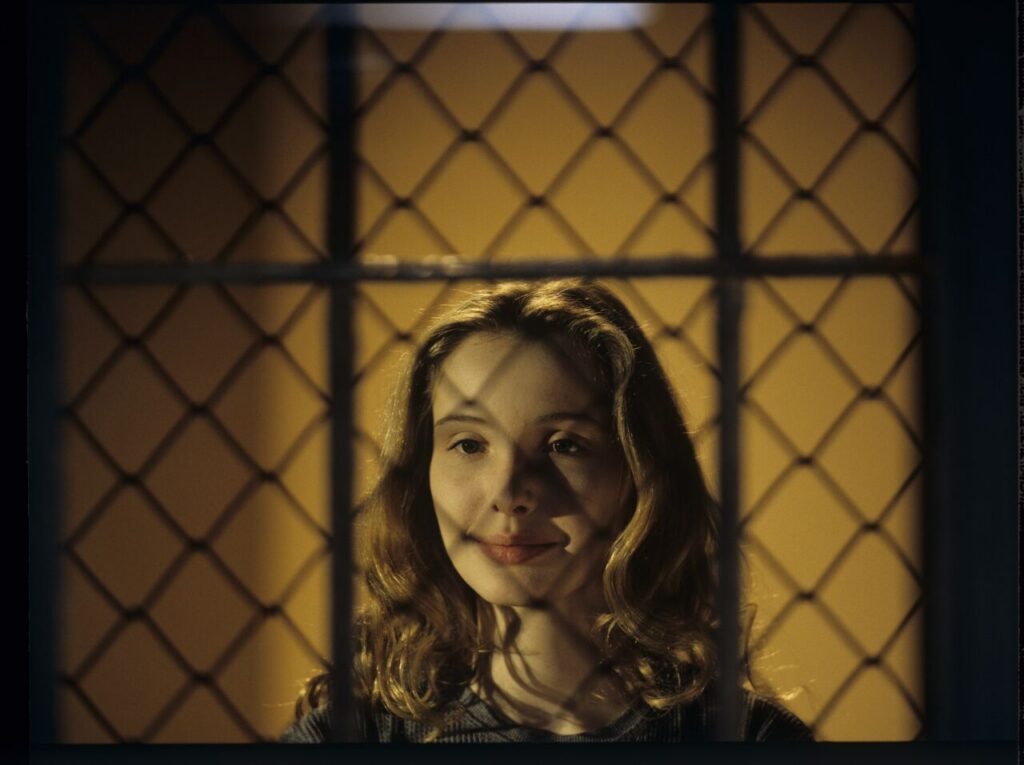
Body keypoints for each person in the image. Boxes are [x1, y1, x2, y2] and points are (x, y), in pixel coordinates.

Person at [282, 279, 812, 743]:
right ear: (420, 474)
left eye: (563, 445)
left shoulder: (749, 740)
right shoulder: (349, 739)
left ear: (639, 472)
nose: (510, 492)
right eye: (469, 444)